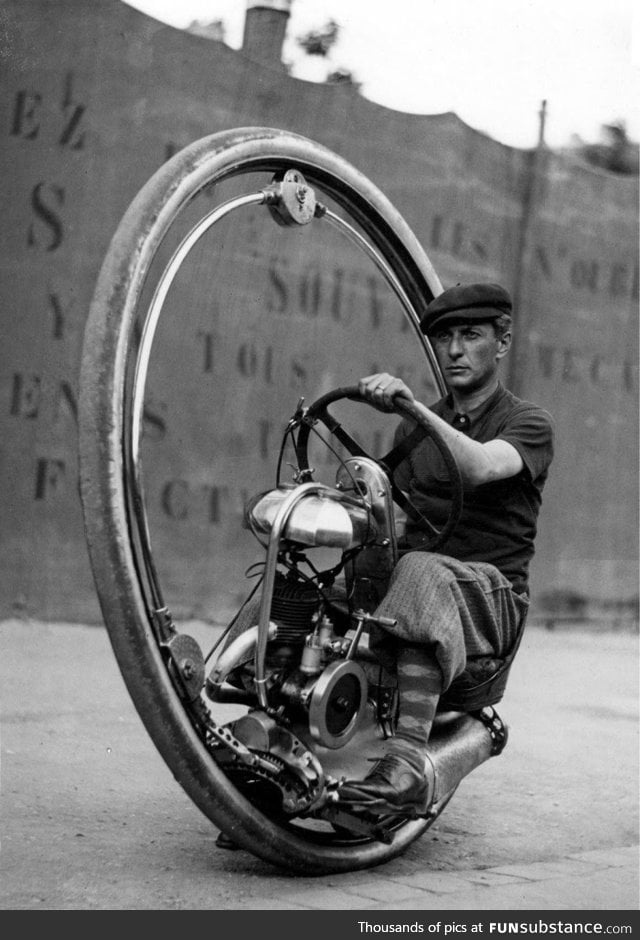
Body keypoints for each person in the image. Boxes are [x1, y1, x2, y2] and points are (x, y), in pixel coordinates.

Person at [336, 281, 555, 817]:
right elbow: (379, 512)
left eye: (471, 335)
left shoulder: (528, 423)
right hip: (427, 588)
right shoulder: (414, 435)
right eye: (444, 338)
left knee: (419, 569)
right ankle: (265, 730)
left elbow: (479, 464)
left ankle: (408, 761)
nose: (454, 350)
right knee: (318, 579)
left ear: (501, 343)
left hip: (492, 602)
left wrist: (415, 409)